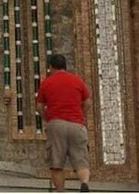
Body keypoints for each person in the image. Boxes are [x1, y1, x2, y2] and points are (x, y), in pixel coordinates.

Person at [36, 54, 91, 193]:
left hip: (56, 123)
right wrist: (81, 115)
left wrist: (47, 118)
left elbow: (39, 106)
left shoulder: (47, 83)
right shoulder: (77, 81)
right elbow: (87, 102)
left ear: (51, 67)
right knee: (81, 159)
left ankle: (60, 190)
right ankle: (84, 183)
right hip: (77, 124)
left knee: (56, 163)